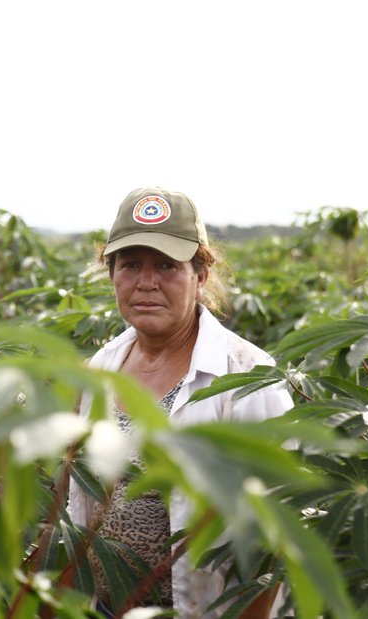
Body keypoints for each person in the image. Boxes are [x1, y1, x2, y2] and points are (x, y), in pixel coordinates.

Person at [67, 187, 293, 618]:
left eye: (167, 266)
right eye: (130, 265)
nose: (146, 283)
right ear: (111, 272)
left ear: (201, 275)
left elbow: (273, 542)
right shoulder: (101, 366)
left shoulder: (245, 376)